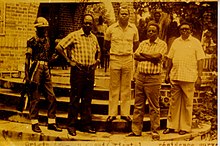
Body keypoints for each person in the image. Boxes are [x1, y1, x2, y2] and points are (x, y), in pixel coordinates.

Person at [55, 14, 101, 136]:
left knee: (87, 100)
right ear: (82, 23)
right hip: (78, 71)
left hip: (90, 71)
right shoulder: (74, 35)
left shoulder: (93, 38)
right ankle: (71, 125)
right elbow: (59, 47)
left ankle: (85, 125)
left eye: (90, 23)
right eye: (86, 23)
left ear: (92, 25)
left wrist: (97, 61)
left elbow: (99, 50)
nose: (88, 25)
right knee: (75, 98)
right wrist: (69, 61)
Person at [163, 22, 205, 135]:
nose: (184, 31)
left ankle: (185, 127)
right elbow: (169, 58)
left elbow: (200, 60)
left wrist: (199, 77)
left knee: (187, 104)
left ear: (190, 30)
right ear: (179, 31)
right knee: (174, 102)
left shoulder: (195, 42)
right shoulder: (176, 42)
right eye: (182, 29)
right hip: (175, 76)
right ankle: (171, 126)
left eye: (187, 29)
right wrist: (167, 74)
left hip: (189, 77)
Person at [127, 23, 167, 140]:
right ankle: (136, 131)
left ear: (157, 32)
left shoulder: (162, 44)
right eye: (149, 31)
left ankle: (154, 131)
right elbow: (136, 56)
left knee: (154, 106)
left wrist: (144, 55)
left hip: (153, 78)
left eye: (153, 31)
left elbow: (157, 56)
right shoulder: (143, 43)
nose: (150, 33)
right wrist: (150, 57)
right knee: (138, 105)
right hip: (140, 77)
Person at [25, 17, 62, 133]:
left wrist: (54, 58)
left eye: (45, 28)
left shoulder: (47, 40)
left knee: (51, 96)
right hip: (36, 68)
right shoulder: (32, 41)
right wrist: (27, 75)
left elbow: (47, 57)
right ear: (37, 29)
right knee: (35, 97)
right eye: (42, 28)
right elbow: (27, 59)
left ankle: (51, 122)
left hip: (46, 68)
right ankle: (34, 123)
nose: (44, 30)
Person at [104, 5, 139, 125]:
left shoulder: (133, 28)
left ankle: (125, 113)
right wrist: (113, 54)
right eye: (122, 14)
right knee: (114, 87)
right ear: (118, 15)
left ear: (129, 15)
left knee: (126, 87)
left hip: (128, 59)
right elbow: (106, 45)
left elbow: (136, 45)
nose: (124, 16)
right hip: (115, 59)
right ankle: (112, 113)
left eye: (126, 14)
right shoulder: (111, 28)